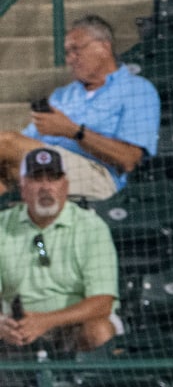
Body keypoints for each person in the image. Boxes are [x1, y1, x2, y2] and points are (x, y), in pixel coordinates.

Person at [0, 15, 159, 201]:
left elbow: (130, 160)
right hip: (45, 165)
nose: (70, 59)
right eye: (67, 53)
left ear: (104, 47)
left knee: (5, 143)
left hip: (98, 176)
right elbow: (24, 142)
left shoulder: (137, 89)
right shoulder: (62, 95)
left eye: (76, 50)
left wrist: (74, 131)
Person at [0, 148, 121, 354]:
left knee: (99, 330)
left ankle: (94, 384)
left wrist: (45, 321)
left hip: (75, 324)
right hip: (17, 325)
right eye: (37, 179)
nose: (46, 187)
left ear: (65, 185)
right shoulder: (2, 226)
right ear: (23, 187)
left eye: (54, 178)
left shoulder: (91, 227)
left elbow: (102, 303)